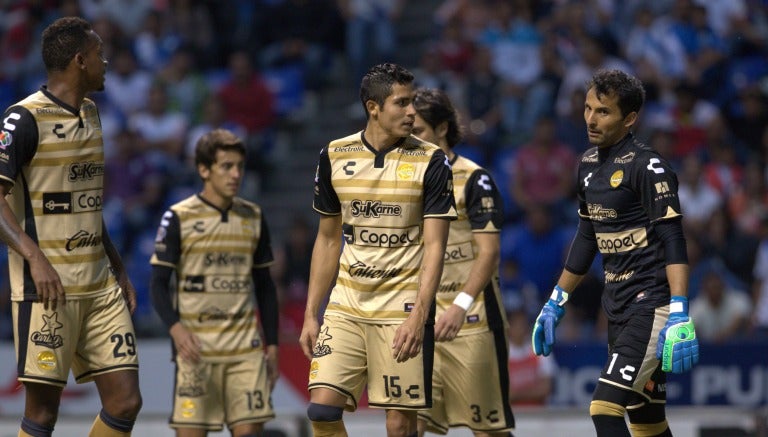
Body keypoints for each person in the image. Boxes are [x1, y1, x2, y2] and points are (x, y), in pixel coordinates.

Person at [531, 69, 699, 437]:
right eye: (588, 108)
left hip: (651, 306)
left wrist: (679, 310)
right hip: (618, 306)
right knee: (646, 421)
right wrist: (555, 302)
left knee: (604, 409)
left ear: (630, 118)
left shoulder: (648, 166)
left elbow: (674, 239)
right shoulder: (588, 165)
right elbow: (587, 237)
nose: (591, 118)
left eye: (603, 111)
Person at [0, 16, 142, 437]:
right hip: (48, 289)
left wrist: (116, 263)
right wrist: (34, 258)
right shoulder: (22, 119)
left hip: (98, 285)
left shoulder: (92, 113)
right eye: (100, 54)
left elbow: (87, 203)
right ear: (80, 60)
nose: (106, 62)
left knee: (126, 401)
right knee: (42, 415)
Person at [299, 63, 457, 437]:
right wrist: (310, 313)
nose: (412, 112)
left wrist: (419, 315)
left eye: (413, 103)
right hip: (346, 305)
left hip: (401, 308)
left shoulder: (432, 161)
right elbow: (327, 239)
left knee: (400, 426)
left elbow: (435, 245)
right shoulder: (335, 155)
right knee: (321, 411)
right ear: (374, 107)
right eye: (401, 104)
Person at [149, 128, 279, 436]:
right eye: (226, 166)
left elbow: (265, 287)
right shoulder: (178, 217)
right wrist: (176, 328)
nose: (236, 174)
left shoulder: (253, 216)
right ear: (204, 170)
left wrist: (272, 345)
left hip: (244, 352)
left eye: (240, 166)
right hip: (197, 351)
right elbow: (157, 284)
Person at [410, 88, 514, 436]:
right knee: (411, 423)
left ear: (441, 128)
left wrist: (459, 305)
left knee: (488, 429)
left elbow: (489, 252)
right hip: (421, 321)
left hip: (473, 320)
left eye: (419, 132)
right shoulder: (406, 180)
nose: (411, 141)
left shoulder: (474, 178)